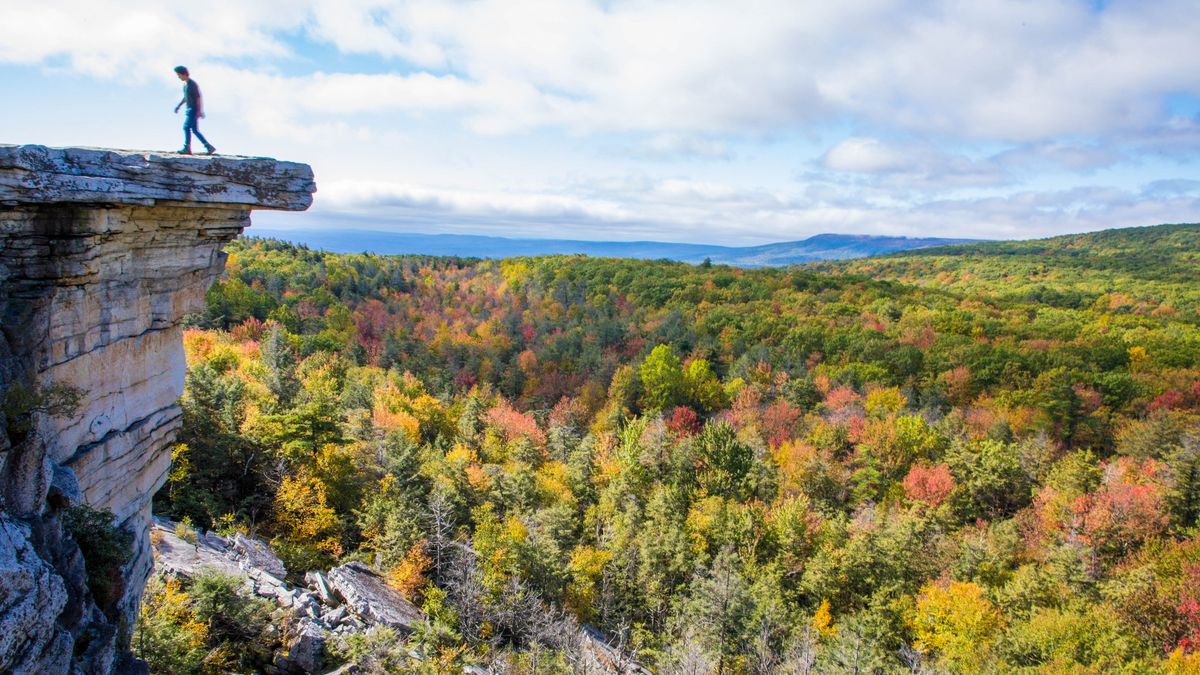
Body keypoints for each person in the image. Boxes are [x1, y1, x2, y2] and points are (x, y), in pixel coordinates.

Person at [173, 66, 216, 155]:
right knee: (195, 130)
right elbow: (185, 98)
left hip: (193, 109)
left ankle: (187, 147)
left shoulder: (192, 84)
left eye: (179, 75)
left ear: (184, 74)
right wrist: (178, 106)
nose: (178, 77)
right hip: (189, 109)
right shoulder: (185, 85)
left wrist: (199, 111)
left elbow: (198, 98)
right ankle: (209, 147)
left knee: (186, 127)